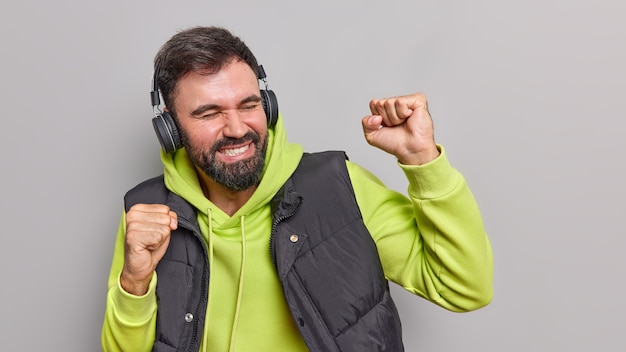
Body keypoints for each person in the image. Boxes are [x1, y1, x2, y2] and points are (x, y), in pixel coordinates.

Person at [101, 26, 493, 352]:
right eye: (209, 113)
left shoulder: (341, 187)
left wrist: (423, 161)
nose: (237, 128)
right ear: (170, 128)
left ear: (268, 106)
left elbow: (464, 288)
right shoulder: (146, 213)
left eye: (248, 105)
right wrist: (133, 284)